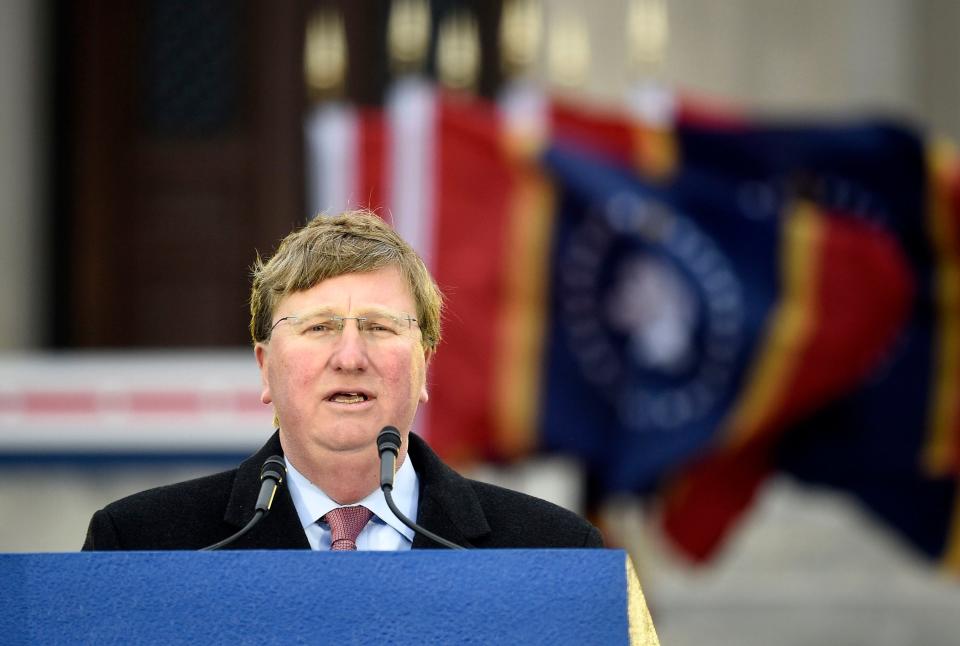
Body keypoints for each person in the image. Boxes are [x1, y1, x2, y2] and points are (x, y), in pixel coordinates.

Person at [83, 211, 603, 550]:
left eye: (379, 327)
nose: (350, 356)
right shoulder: (140, 542)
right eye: (320, 327)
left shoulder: (553, 547)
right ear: (265, 367)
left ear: (425, 363)